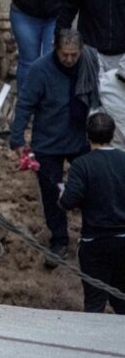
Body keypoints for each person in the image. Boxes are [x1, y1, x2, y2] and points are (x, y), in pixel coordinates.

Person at [9, 28, 101, 266]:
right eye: (65, 55)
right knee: (51, 194)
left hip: (80, 138)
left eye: (74, 55)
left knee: (91, 189)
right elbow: (25, 104)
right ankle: (59, 239)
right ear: (56, 51)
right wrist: (17, 139)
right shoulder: (40, 70)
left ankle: (92, 237)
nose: (69, 60)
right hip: (48, 142)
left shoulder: (89, 63)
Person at [59, 112, 125, 314]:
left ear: (87, 136)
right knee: (122, 301)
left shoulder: (81, 164)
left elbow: (69, 201)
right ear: (113, 134)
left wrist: (62, 194)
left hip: (94, 243)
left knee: (95, 303)